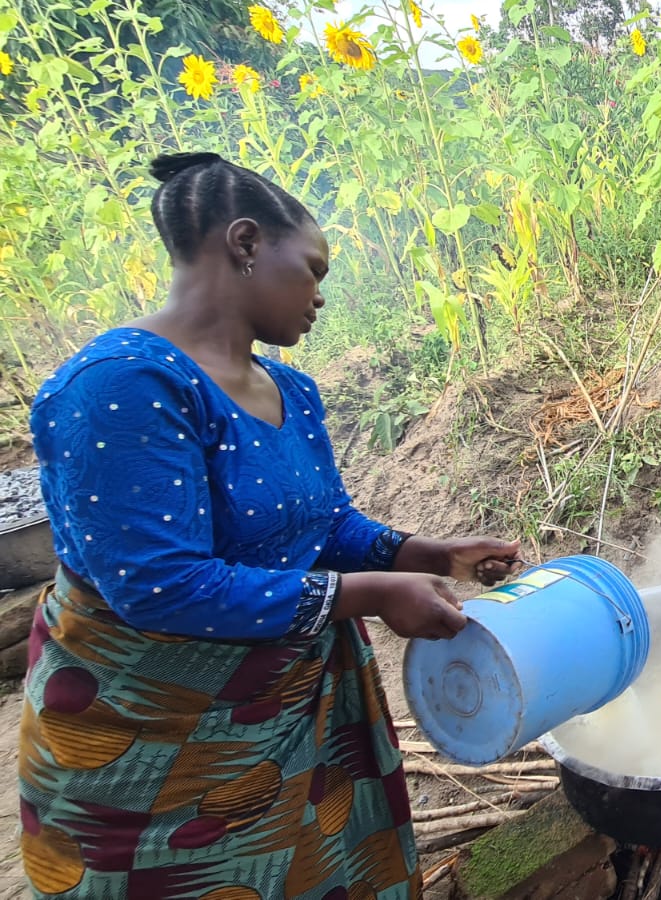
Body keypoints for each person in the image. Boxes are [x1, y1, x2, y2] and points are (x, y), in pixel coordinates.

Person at [19, 152, 521, 899]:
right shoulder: (123, 386)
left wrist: (428, 553)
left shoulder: (289, 388)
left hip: (287, 725)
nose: (321, 295)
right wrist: (370, 594)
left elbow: (322, 527)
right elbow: (158, 585)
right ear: (246, 243)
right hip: (153, 752)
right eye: (313, 269)